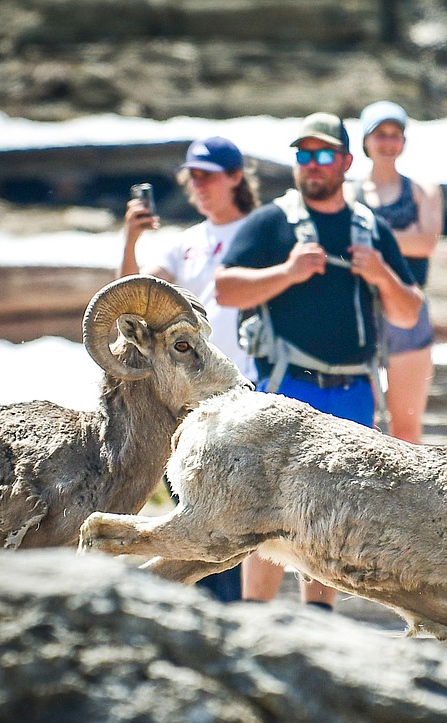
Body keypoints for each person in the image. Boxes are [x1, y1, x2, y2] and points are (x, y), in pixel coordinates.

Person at [216, 112, 423, 610]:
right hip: (288, 387)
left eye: (323, 154)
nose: (311, 164)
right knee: (265, 507)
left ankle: (318, 618)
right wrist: (287, 272)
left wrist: (380, 276)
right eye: (303, 155)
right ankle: (253, 619)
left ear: (347, 162)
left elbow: (409, 309)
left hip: (352, 390)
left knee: (331, 510)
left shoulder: (369, 228)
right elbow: (224, 288)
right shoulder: (270, 222)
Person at [118, 135, 260, 603]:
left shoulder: (262, 231)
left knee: (234, 512)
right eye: (191, 175)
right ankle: (204, 609)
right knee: (189, 506)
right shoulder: (188, 243)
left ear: (235, 177)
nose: (197, 184)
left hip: (244, 388)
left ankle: (234, 607)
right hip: (188, 395)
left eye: (207, 175)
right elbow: (133, 298)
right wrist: (132, 240)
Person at [352, 100, 444, 444]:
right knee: (362, 422)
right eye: (381, 135)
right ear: (366, 141)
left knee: (407, 426)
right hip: (360, 309)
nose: (388, 143)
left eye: (395, 135)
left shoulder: (423, 189)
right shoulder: (351, 191)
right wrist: (403, 239)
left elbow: (427, 242)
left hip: (408, 306)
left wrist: (374, 245)